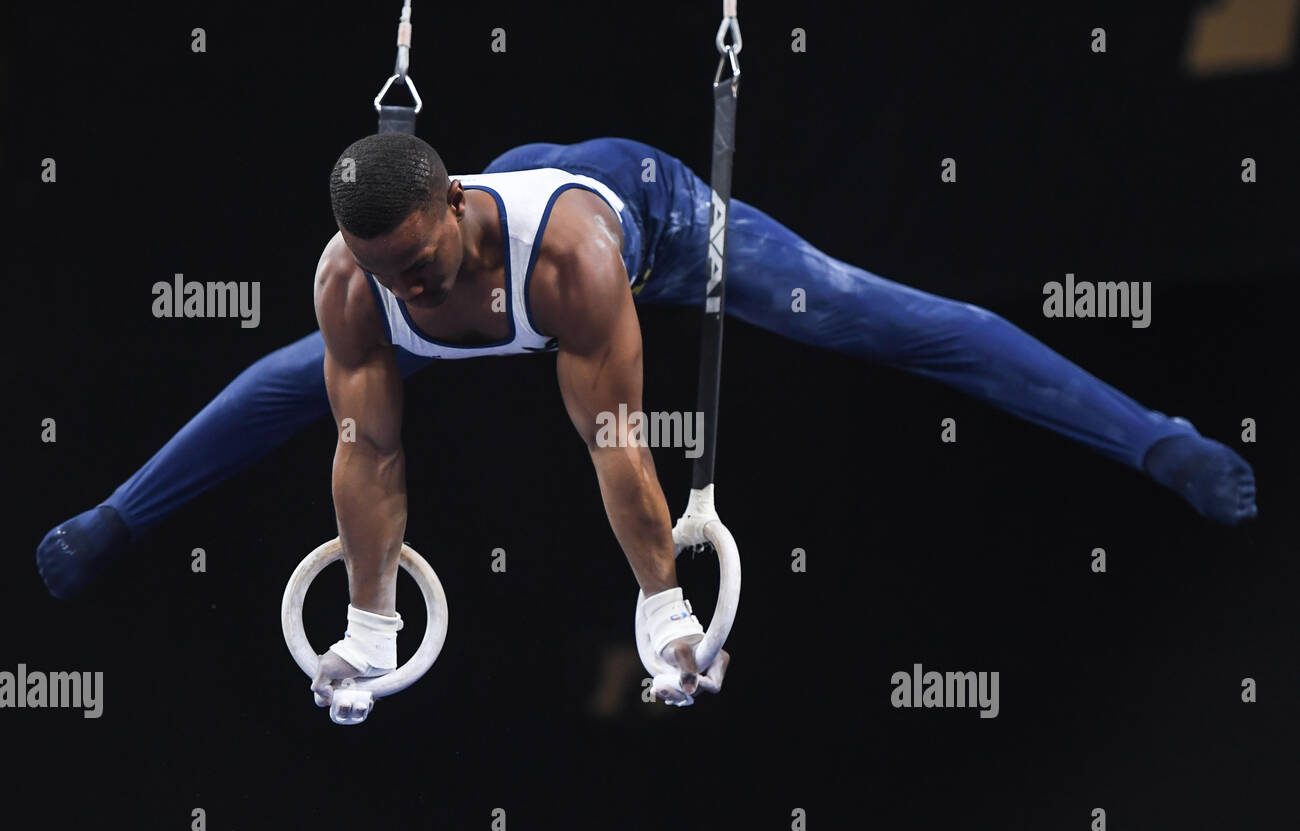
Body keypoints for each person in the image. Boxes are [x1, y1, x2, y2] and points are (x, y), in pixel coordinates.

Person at [37, 135, 1257, 704]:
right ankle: (113, 517)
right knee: (304, 384)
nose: (410, 291)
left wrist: (665, 607)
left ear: (453, 203)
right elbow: (371, 449)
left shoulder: (568, 260)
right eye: (386, 272)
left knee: (893, 321)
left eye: (421, 263)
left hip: (653, 224)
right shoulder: (364, 278)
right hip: (519, 232)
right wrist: (363, 627)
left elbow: (615, 445)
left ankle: (1155, 436)